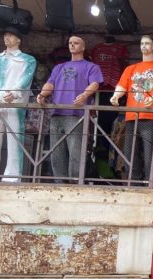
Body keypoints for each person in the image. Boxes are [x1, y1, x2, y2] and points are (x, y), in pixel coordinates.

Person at [36, 35, 103, 182]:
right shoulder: (59, 67)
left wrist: (85, 95)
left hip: (76, 113)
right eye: (70, 43)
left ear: (83, 47)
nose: (72, 45)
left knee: (75, 150)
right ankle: (60, 181)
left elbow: (95, 84)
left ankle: (74, 181)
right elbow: (50, 84)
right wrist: (42, 94)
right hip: (57, 112)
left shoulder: (91, 67)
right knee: (56, 151)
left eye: (76, 43)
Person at [110, 35, 153, 182]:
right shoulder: (131, 68)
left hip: (150, 116)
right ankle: (133, 181)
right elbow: (122, 85)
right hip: (131, 116)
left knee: (149, 151)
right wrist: (116, 96)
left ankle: (149, 181)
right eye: (142, 43)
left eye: (147, 43)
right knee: (130, 151)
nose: (144, 46)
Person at [0, 26, 36, 182]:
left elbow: (25, 79)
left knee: (15, 138)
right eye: (5, 35)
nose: (6, 38)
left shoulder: (28, 60)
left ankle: (12, 176)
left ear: (18, 40)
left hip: (15, 103)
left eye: (10, 35)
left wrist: (15, 93)